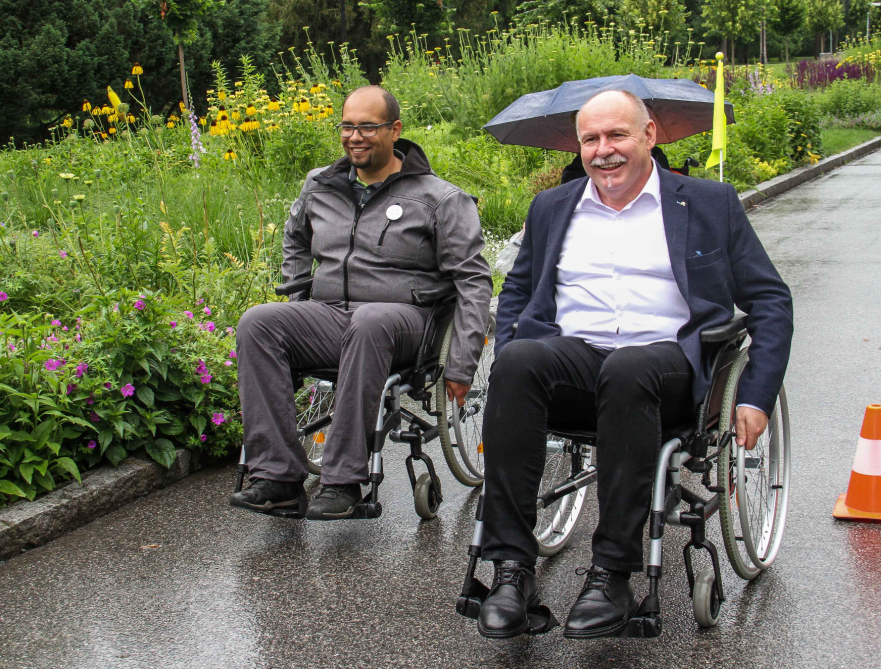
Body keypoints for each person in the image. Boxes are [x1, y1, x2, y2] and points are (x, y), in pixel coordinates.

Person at [474, 89, 793, 639]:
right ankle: (511, 570)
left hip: (668, 364)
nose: (604, 151)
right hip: (575, 357)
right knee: (519, 360)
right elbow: (519, 294)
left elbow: (770, 300)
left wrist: (755, 394)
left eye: (617, 135)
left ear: (649, 136)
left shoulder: (709, 203)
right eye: (591, 139)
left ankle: (611, 574)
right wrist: (509, 352)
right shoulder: (553, 207)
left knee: (628, 370)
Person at [229, 86, 492, 521]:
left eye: (368, 127)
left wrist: (462, 365)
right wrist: (298, 300)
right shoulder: (320, 185)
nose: (356, 136)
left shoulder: (439, 198)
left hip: (407, 322)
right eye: (348, 127)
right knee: (258, 321)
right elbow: (295, 238)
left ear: (395, 130)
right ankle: (277, 478)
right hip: (332, 316)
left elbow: (473, 280)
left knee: (371, 321)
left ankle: (343, 482)